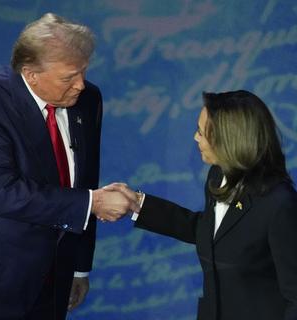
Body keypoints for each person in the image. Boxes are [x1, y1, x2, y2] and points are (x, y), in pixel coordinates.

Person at [0, 13, 139, 320]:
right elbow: (1, 191)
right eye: (68, 77)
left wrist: (79, 267)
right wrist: (94, 202)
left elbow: (86, 179)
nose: (80, 85)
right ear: (30, 73)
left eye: (83, 72)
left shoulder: (88, 99)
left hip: (57, 277)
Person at [107, 90, 297, 320]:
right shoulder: (218, 177)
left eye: (201, 132)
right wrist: (138, 204)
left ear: (229, 139)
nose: (196, 138)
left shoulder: (279, 204)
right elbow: (210, 232)